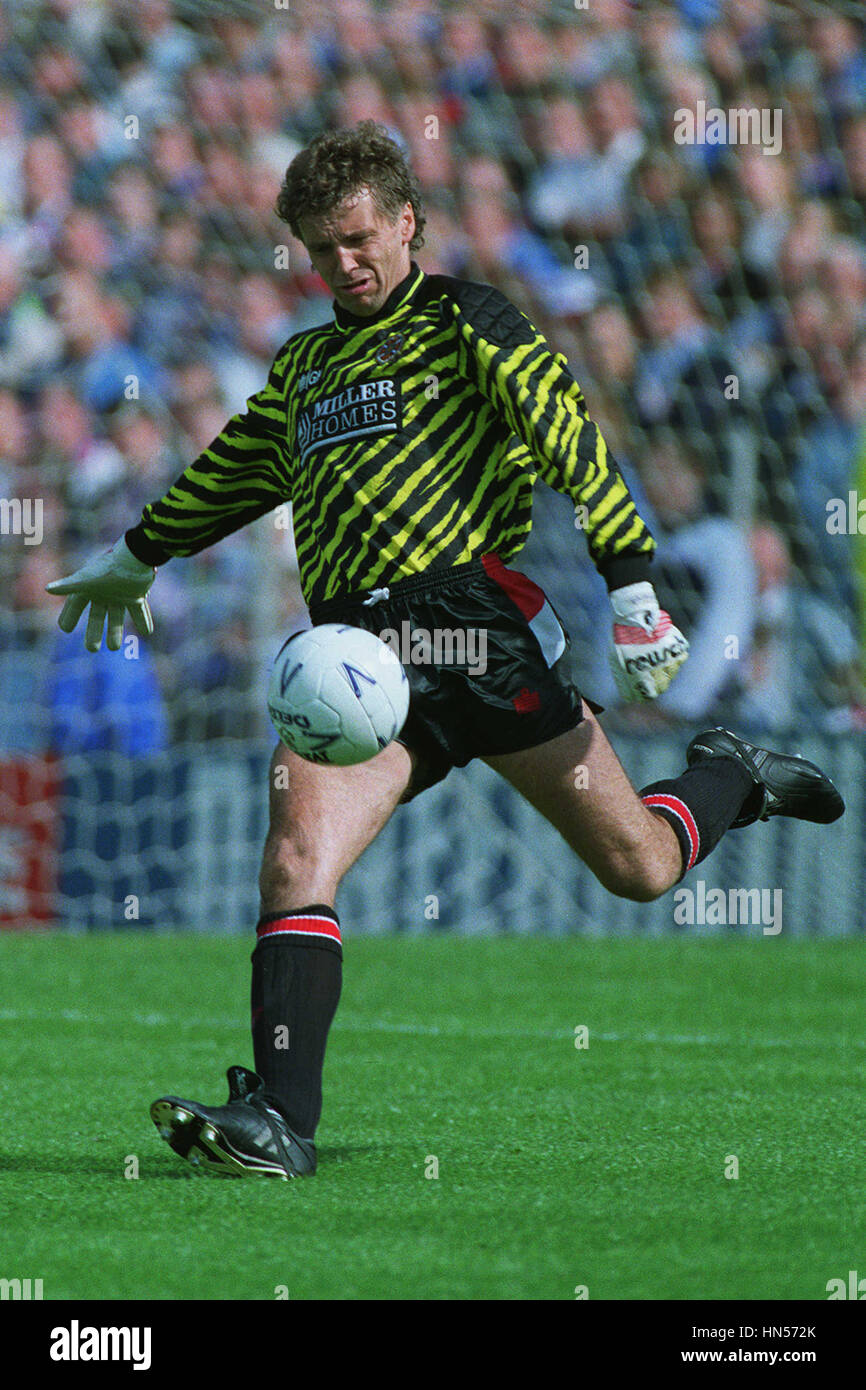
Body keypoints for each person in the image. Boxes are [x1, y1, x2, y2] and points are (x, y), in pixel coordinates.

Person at [46, 122, 844, 1181]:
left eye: (359, 238)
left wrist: (631, 581)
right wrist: (136, 551)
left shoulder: (469, 319)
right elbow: (238, 467)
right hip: (354, 659)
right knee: (293, 853)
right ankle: (280, 1121)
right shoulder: (304, 368)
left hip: (471, 631)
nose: (343, 263)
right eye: (322, 249)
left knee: (639, 867)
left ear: (407, 219)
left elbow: (567, 433)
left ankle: (727, 776)